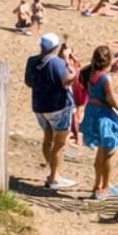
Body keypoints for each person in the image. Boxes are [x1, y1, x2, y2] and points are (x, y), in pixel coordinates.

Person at [78, 45, 118, 199]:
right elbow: (111, 99)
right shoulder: (105, 78)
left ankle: (96, 185)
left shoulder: (90, 73)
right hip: (104, 116)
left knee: (101, 152)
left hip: (92, 112)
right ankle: (105, 188)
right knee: (108, 152)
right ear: (109, 61)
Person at [23, 33, 75, 191]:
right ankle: (54, 177)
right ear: (55, 47)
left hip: (40, 106)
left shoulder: (32, 60)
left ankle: (53, 172)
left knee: (47, 139)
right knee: (59, 143)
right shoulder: (57, 62)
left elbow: (28, 82)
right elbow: (66, 82)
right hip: (58, 107)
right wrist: (73, 70)